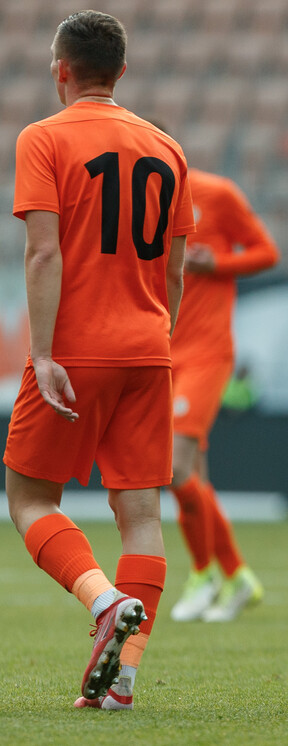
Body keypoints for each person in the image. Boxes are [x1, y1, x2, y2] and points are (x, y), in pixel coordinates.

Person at [5, 11, 194, 710]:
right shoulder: (167, 149)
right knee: (139, 509)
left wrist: (44, 352)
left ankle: (103, 599)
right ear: (121, 71)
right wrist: (157, 340)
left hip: (75, 348)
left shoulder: (44, 138)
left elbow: (45, 250)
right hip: (150, 347)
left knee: (28, 496)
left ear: (61, 69)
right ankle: (124, 680)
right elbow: (175, 270)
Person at [161, 161, 279, 623]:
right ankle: (224, 574)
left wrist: (218, 262)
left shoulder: (216, 194)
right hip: (160, 353)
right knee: (193, 479)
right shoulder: (137, 204)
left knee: (173, 467)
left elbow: (267, 252)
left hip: (207, 355)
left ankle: (213, 574)